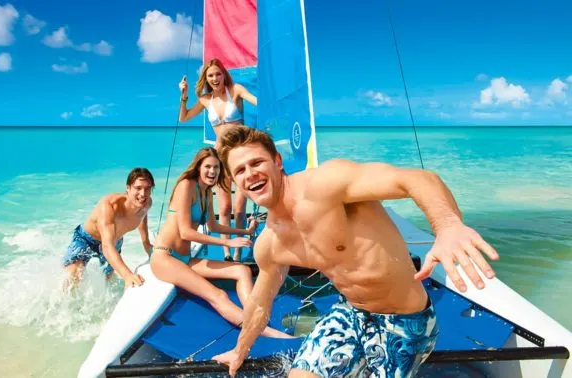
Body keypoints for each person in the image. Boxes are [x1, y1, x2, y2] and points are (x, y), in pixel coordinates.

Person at [212, 125, 500, 378]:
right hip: (351, 314)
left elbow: (417, 179)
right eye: (240, 170)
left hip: (406, 322)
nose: (250, 174)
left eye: (256, 162)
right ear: (236, 182)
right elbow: (260, 304)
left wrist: (447, 226)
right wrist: (240, 351)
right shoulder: (270, 243)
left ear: (277, 161)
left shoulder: (326, 185)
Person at [150, 147, 293, 339]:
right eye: (208, 166)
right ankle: (264, 332)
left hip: (186, 259)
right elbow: (185, 232)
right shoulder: (187, 185)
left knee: (242, 270)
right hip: (165, 257)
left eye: (216, 168)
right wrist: (230, 243)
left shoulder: (206, 192)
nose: (212, 172)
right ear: (198, 167)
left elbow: (213, 225)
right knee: (218, 295)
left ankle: (256, 317)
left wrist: (244, 231)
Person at [178, 58, 258, 262]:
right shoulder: (206, 100)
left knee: (240, 209)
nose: (215, 78)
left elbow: (258, 102)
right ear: (206, 79)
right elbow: (184, 117)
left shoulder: (236, 90)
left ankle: (239, 252)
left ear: (224, 75)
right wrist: (184, 96)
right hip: (220, 158)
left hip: (240, 156)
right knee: (224, 208)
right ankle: (227, 253)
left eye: (218, 74)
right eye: (210, 75)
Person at [63, 168, 154, 289]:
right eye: (138, 188)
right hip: (86, 240)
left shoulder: (146, 203)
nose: (143, 194)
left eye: (147, 188)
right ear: (128, 188)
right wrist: (127, 275)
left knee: (107, 283)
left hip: (115, 241)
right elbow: (107, 246)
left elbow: (142, 215)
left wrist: (147, 244)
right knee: (72, 280)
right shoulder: (110, 206)